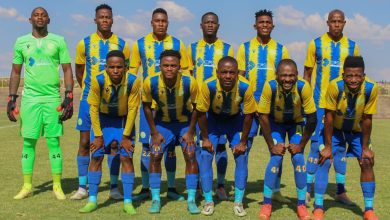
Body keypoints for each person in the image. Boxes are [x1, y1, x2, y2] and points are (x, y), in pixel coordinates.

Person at [7, 7, 74, 200]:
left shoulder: (58, 41)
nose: (40, 18)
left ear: (48, 19)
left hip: (52, 98)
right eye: (36, 15)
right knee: (29, 142)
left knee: (54, 141)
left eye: (43, 15)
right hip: (30, 100)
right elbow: (16, 72)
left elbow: (67, 70)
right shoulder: (21, 42)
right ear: (30, 20)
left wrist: (69, 95)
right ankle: (27, 186)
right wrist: (12, 98)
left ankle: (57, 186)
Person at [72, 4, 130, 200]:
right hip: (89, 101)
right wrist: (91, 91)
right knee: (85, 142)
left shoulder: (122, 44)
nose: (105, 20)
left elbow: (125, 72)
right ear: (95, 20)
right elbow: (79, 70)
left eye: (108, 17)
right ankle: (82, 187)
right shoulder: (84, 43)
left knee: (113, 143)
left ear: (112, 20)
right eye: (101, 17)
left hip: (114, 103)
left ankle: (114, 187)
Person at [130, 7, 189, 201]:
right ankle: (146, 188)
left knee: (170, 148)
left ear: (168, 23)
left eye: (164, 21)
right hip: (149, 105)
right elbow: (132, 73)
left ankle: (171, 187)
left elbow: (186, 73)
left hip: (172, 105)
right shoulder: (140, 44)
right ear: (152, 22)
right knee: (147, 147)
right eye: (157, 21)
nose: (160, 24)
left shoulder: (177, 43)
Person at [304, 9, 360, 205]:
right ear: (327, 23)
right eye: (333, 21)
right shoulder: (316, 43)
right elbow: (308, 74)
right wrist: (307, 100)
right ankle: (308, 189)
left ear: (344, 23)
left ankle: (340, 191)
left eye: (339, 22)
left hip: (344, 106)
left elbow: (356, 76)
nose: (336, 24)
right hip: (320, 104)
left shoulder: (352, 46)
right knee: (315, 145)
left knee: (340, 145)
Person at [312, 56, 378, 220]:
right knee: (324, 159)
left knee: (367, 161)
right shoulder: (335, 86)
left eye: (357, 76)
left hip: (357, 131)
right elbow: (328, 117)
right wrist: (327, 147)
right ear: (343, 75)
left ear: (363, 75)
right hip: (334, 130)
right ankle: (318, 206)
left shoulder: (371, 88)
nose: (353, 79)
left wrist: (365, 148)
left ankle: (369, 210)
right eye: (349, 75)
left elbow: (368, 119)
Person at [237, 9, 290, 203]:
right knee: (244, 147)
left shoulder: (281, 49)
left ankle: (275, 190)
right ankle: (240, 193)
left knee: (277, 148)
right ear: (255, 26)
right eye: (261, 22)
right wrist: (244, 103)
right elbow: (241, 77)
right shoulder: (244, 48)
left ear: (273, 26)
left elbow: (285, 78)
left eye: (268, 22)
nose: (265, 25)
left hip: (273, 107)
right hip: (250, 107)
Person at [79, 50, 140, 214]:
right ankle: (92, 200)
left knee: (126, 157)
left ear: (125, 67)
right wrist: (98, 135)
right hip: (103, 121)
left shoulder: (133, 81)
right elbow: (93, 108)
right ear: (106, 67)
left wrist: (126, 136)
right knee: (96, 156)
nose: (115, 71)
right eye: (112, 67)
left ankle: (127, 201)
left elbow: (133, 109)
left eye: (119, 67)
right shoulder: (98, 80)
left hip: (122, 121)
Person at [257, 59, 317, 220]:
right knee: (276, 157)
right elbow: (262, 117)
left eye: (291, 75)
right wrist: (271, 145)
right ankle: (267, 203)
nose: (288, 79)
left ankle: (301, 205)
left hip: (296, 124)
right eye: (283, 75)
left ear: (297, 75)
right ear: (277, 76)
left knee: (298, 158)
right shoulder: (270, 86)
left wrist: (301, 145)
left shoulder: (303, 87)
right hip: (275, 124)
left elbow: (312, 119)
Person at [197, 56, 256, 216]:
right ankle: (208, 201)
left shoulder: (245, 86)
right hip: (213, 121)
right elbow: (201, 112)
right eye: (224, 72)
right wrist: (206, 139)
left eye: (232, 72)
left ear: (238, 73)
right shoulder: (208, 85)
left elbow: (249, 115)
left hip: (234, 121)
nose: (228, 76)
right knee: (205, 155)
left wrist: (243, 141)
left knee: (241, 156)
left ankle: (238, 202)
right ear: (217, 73)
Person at [142, 50, 199, 214]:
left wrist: (190, 131)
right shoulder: (150, 82)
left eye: (173, 65)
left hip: (183, 124)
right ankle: (155, 199)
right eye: (165, 65)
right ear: (160, 66)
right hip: (162, 125)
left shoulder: (190, 82)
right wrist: (153, 132)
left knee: (190, 154)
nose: (169, 69)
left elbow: (197, 108)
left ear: (179, 66)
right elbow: (146, 106)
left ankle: (191, 199)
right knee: (155, 154)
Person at [187, 11, 234, 200]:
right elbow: (189, 76)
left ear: (218, 26)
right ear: (201, 25)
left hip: (221, 107)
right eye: (206, 22)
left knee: (221, 147)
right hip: (199, 107)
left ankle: (220, 185)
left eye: (213, 22)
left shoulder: (227, 49)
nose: (210, 25)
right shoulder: (191, 49)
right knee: (201, 147)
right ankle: (199, 185)